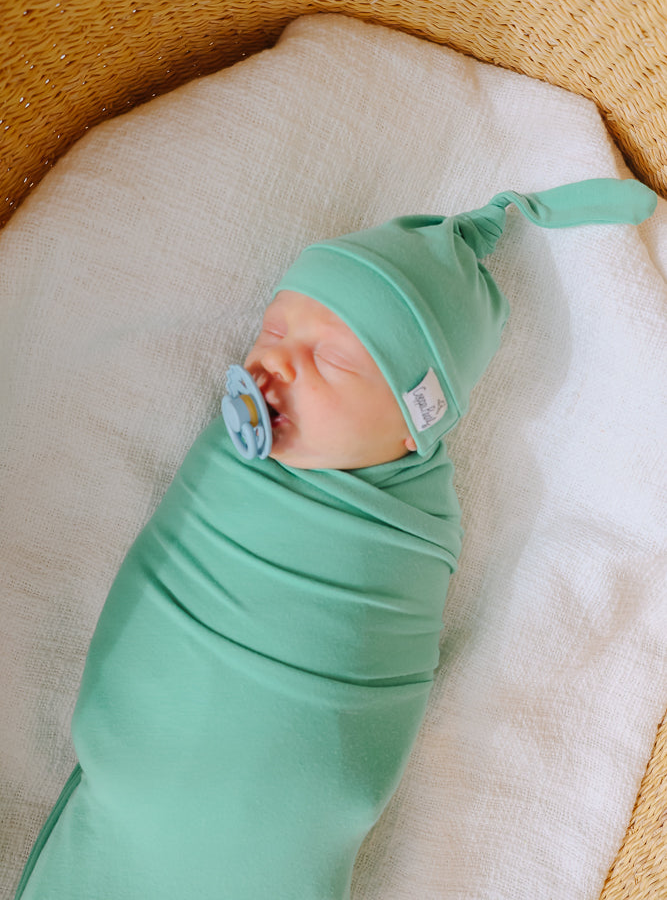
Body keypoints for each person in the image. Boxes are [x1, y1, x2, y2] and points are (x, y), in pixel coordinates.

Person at [14, 178, 656, 900]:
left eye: (333, 360)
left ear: (418, 418)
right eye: (273, 332)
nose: (276, 362)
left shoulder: (411, 529)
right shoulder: (230, 461)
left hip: (284, 824)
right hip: (146, 758)